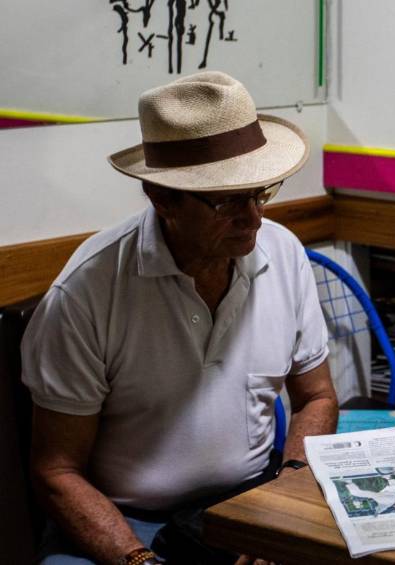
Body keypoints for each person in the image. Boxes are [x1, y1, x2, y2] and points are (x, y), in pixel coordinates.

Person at [22, 71, 339, 564]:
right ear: (162, 197)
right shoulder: (87, 292)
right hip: (124, 520)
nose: (253, 218)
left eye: (260, 192)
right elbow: (56, 471)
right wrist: (138, 559)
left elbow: (316, 397)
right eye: (227, 200)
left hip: (251, 500)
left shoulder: (284, 254)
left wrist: (285, 500)